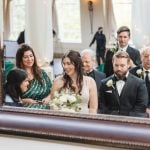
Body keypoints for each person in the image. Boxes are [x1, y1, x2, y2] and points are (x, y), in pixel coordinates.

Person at [100, 51, 148, 117]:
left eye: (122, 65)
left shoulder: (139, 84)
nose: (119, 68)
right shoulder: (104, 83)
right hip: (110, 123)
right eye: (116, 65)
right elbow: (102, 106)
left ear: (128, 65)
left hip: (132, 124)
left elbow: (141, 108)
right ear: (112, 64)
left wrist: (123, 117)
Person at [16, 44, 52, 109]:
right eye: (25, 57)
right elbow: (11, 98)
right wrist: (24, 100)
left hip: (47, 108)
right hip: (28, 111)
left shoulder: (42, 73)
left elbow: (52, 90)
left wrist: (48, 98)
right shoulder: (17, 76)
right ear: (20, 59)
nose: (29, 59)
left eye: (31, 56)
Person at [130, 47, 150, 117]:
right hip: (137, 111)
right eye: (146, 56)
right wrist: (144, 109)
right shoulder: (132, 73)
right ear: (141, 57)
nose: (149, 59)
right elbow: (130, 95)